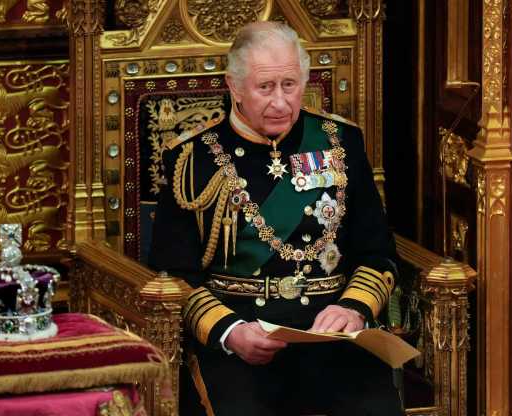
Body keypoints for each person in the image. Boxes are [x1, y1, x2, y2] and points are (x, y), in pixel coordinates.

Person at [149, 21, 402, 415]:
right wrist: (229, 333)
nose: (281, 102)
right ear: (234, 86)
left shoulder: (340, 142)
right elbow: (173, 275)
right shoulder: (191, 159)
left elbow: (377, 253)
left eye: (290, 85)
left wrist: (353, 309)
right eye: (265, 88)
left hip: (333, 336)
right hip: (242, 340)